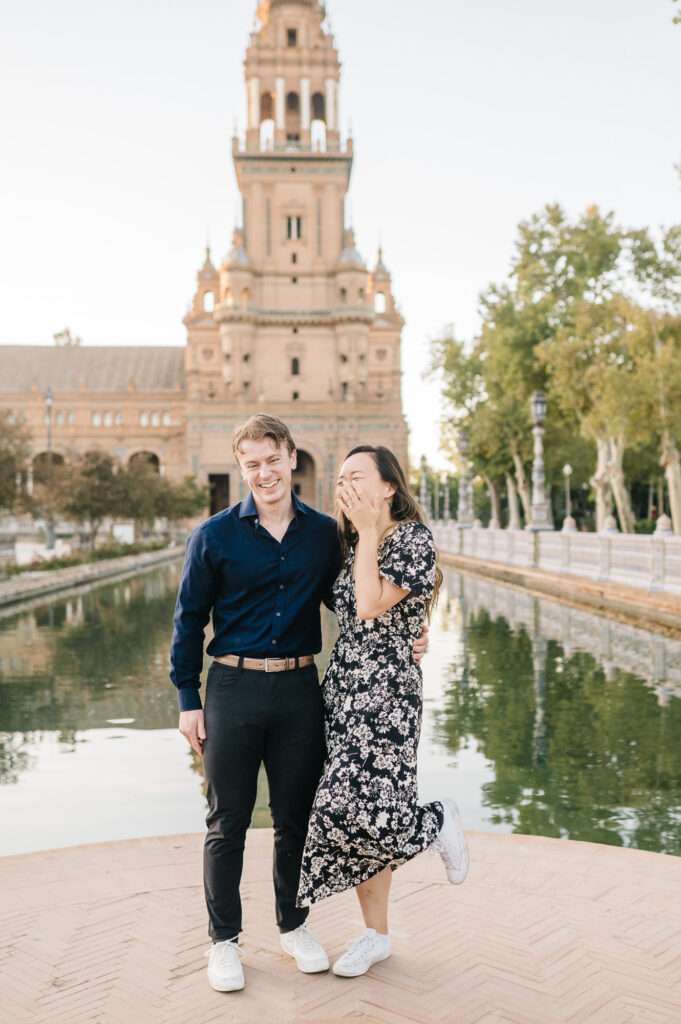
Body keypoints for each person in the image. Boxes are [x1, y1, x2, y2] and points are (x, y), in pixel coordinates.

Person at [168, 415, 429, 993]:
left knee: (296, 821)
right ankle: (225, 942)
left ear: (291, 458)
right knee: (226, 822)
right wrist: (189, 700)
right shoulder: (213, 535)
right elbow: (187, 621)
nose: (264, 473)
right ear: (243, 470)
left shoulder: (323, 535)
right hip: (231, 690)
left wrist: (414, 629)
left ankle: (293, 925)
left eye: (272, 459)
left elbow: (361, 601)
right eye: (251, 464)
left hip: (298, 691)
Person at [296, 445, 469, 979]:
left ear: (389, 486)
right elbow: (345, 606)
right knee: (358, 818)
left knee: (353, 807)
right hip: (345, 687)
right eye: (340, 477)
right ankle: (376, 936)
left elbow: (370, 606)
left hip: (387, 694)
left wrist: (369, 532)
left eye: (357, 477)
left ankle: (437, 821)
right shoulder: (351, 545)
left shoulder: (412, 540)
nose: (344, 486)